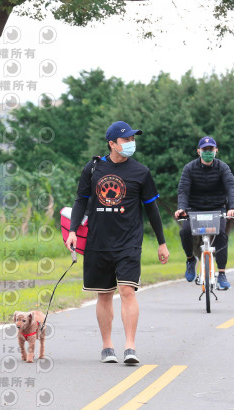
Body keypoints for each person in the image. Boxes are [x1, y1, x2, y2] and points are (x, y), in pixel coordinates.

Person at [65, 121, 169, 364]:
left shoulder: (141, 172)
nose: (131, 143)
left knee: (127, 290)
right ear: (112, 144)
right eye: (126, 140)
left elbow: (151, 209)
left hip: (129, 242)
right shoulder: (93, 169)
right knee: (104, 294)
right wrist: (72, 231)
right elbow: (81, 200)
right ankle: (107, 346)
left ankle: (130, 347)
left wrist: (162, 243)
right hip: (97, 241)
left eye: (133, 139)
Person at [174, 136, 234, 290]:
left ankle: (222, 273)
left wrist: (233, 207)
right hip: (194, 209)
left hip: (217, 208)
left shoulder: (223, 167)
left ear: (216, 151)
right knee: (185, 231)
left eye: (211, 149)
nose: (208, 152)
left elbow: (231, 187)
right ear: (199, 151)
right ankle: (190, 260)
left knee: (222, 235)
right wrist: (182, 208)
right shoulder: (189, 168)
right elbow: (183, 190)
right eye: (205, 150)